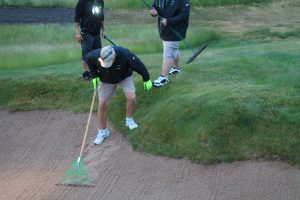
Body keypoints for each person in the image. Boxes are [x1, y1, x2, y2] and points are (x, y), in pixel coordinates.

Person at [87, 46, 153, 145]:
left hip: (124, 77)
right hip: (106, 80)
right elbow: (90, 62)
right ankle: (103, 131)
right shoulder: (94, 56)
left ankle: (129, 120)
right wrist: (94, 75)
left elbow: (139, 65)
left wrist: (146, 79)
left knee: (132, 98)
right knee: (102, 104)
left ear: (114, 56)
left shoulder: (125, 55)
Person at [149, 0, 190, 87]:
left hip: (176, 30)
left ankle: (164, 77)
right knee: (174, 48)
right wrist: (153, 12)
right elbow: (154, 7)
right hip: (164, 29)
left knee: (168, 52)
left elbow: (184, 16)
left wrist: (169, 21)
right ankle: (176, 68)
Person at [74, 0, 106, 81]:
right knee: (86, 55)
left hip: (97, 33)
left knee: (98, 53)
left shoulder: (100, 1)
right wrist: (77, 33)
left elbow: (102, 17)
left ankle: (97, 71)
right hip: (86, 32)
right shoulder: (82, 2)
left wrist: (103, 31)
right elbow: (76, 19)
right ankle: (86, 73)